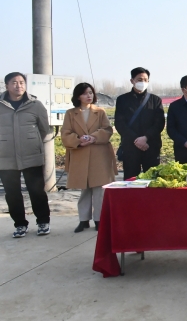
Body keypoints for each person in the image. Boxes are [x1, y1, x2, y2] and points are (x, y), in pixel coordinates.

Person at [0, 72, 52, 237]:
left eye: (22, 82)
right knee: (12, 194)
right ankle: (20, 224)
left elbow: (44, 129)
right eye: (14, 82)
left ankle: (43, 222)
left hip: (32, 156)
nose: (19, 85)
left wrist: (32, 142)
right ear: (7, 85)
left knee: (37, 191)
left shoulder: (35, 105)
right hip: (5, 158)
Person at [61, 83, 117, 232]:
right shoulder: (71, 114)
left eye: (91, 93)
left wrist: (94, 137)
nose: (89, 96)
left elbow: (107, 129)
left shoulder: (100, 112)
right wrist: (78, 140)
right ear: (78, 96)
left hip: (99, 154)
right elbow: (65, 133)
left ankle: (99, 219)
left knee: (99, 189)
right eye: (85, 93)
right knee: (84, 189)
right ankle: (83, 220)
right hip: (80, 154)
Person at [114, 67, 165, 180]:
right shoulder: (122, 100)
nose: (143, 82)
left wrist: (146, 137)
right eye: (139, 79)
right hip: (130, 147)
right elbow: (120, 123)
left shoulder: (155, 100)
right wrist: (136, 139)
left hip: (151, 146)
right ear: (132, 81)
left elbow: (159, 123)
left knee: (152, 180)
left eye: (145, 80)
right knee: (131, 180)